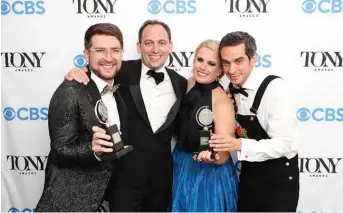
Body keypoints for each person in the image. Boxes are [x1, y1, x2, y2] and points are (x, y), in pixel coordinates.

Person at [65, 20, 187, 211]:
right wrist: (78, 72)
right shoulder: (120, 71)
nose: (155, 49)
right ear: (139, 47)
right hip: (123, 179)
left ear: (170, 46)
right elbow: (96, 73)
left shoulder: (180, 83)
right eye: (148, 43)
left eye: (161, 42)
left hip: (162, 180)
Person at [35, 23, 126, 212]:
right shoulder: (70, 90)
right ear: (86, 55)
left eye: (115, 50)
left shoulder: (120, 87)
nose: (109, 58)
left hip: (106, 198)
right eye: (100, 50)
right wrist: (90, 149)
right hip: (69, 200)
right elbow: (59, 150)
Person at [209, 31, 299, 212]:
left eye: (238, 61)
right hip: (249, 177)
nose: (232, 70)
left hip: (278, 181)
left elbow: (284, 144)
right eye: (226, 63)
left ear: (253, 59)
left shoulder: (275, 89)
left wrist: (238, 144)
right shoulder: (228, 91)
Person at [170, 40, 238, 212]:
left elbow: (222, 157)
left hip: (207, 177)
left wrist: (211, 156)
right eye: (200, 60)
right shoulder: (188, 83)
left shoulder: (222, 102)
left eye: (211, 63)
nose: (203, 67)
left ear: (220, 70)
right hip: (180, 164)